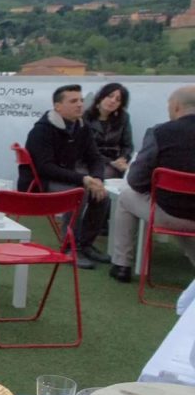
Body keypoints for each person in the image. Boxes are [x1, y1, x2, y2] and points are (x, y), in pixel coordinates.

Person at [109, 85, 195, 282]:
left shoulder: (160, 132)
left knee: (126, 196)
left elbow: (136, 179)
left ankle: (122, 264)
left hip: (168, 212)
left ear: (176, 107)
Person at [20, 84, 110, 269]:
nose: (79, 105)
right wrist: (83, 179)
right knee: (79, 193)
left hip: (65, 179)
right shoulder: (41, 130)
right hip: (40, 183)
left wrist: (98, 178)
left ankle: (85, 244)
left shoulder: (82, 127)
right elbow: (45, 168)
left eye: (81, 100)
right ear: (57, 106)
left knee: (102, 196)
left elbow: (95, 157)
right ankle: (69, 248)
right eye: (73, 101)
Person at [84, 82, 133, 179]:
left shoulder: (123, 118)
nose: (113, 101)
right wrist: (110, 162)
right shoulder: (85, 117)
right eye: (110, 96)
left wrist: (122, 159)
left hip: (115, 161)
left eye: (118, 100)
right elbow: (84, 148)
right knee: (104, 175)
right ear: (101, 97)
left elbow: (127, 145)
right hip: (90, 160)